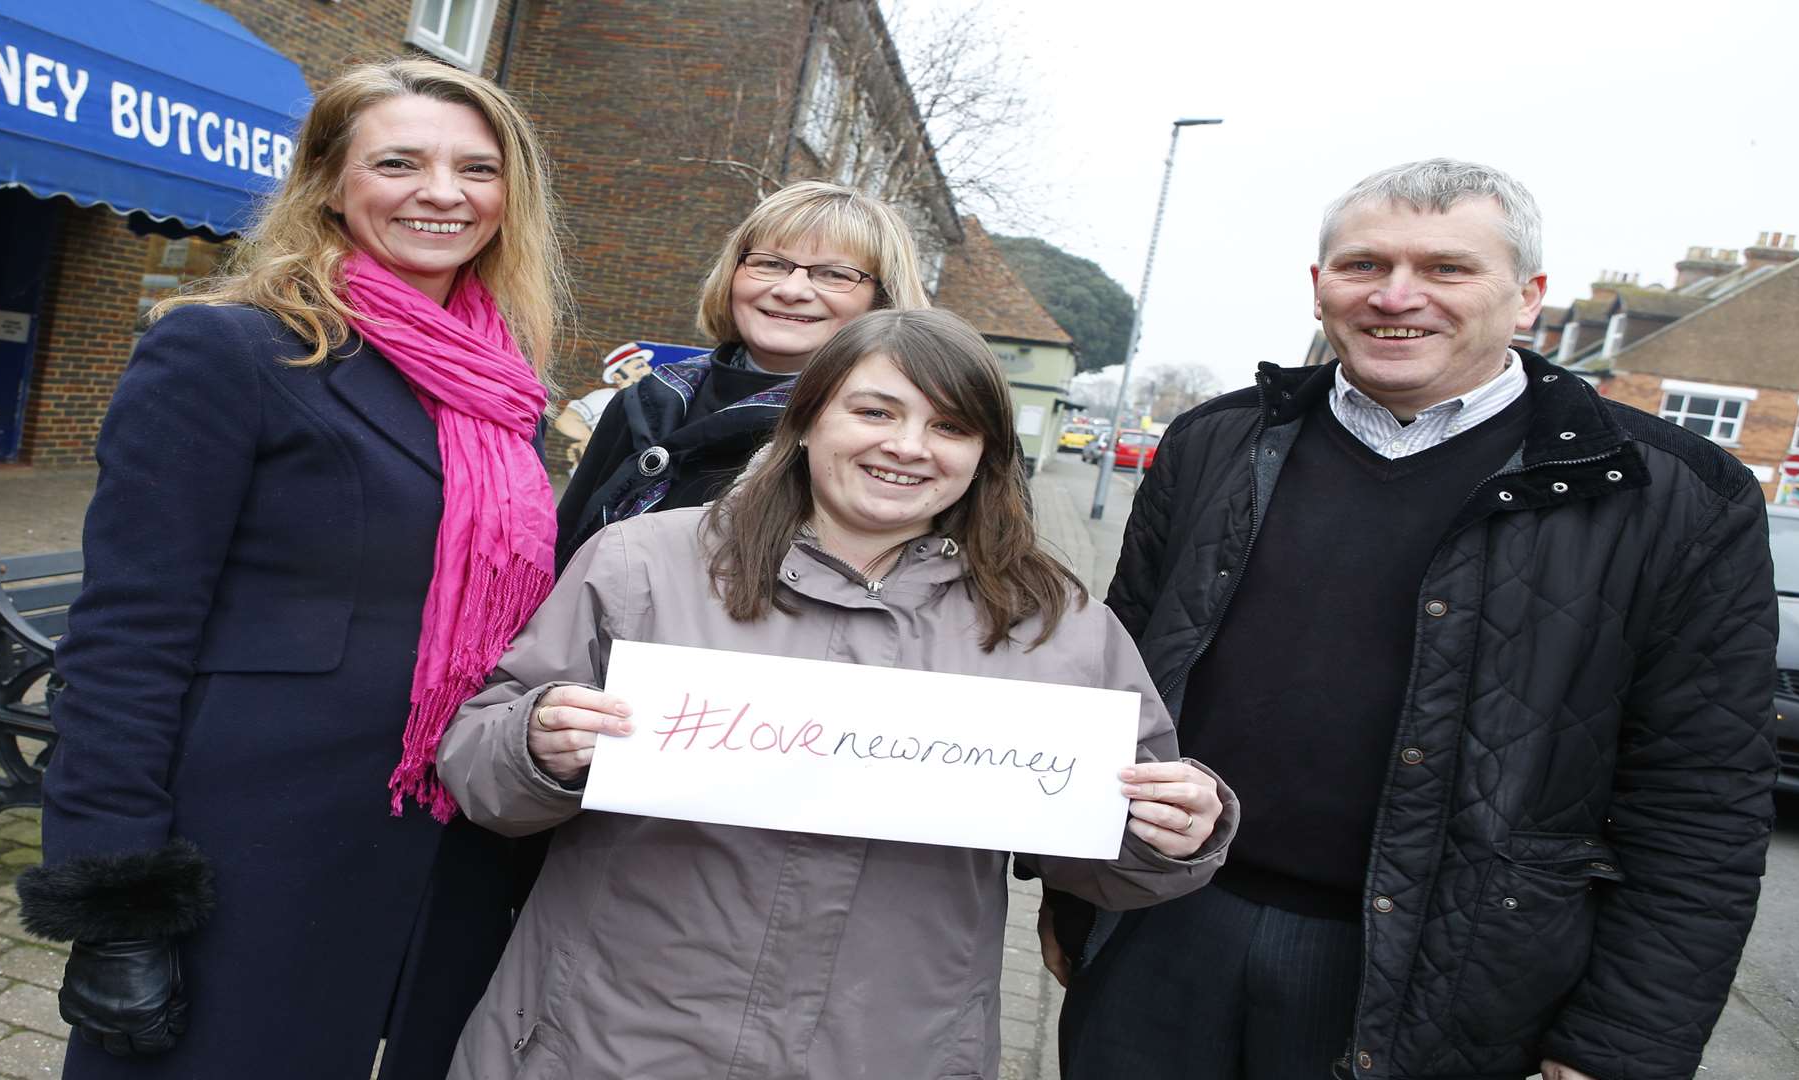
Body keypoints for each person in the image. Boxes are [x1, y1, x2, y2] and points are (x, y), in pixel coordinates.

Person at [1054, 158, 1779, 1080]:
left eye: (1446, 269)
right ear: (1320, 288)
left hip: (1446, 984)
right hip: (1163, 933)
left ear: (1528, 298)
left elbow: (1701, 799)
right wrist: (1076, 901)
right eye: (1364, 266)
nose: (1398, 296)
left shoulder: (1678, 497)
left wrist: (1621, 1046)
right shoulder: (1215, 446)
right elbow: (1108, 693)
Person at [434, 308, 1240, 1079]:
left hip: (891, 1047)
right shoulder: (642, 564)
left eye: (950, 427)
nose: (909, 447)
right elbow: (480, 770)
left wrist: (1168, 834)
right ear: (809, 418)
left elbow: (1107, 866)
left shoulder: (1055, 624)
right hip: (609, 1037)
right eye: (876, 412)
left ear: (986, 454)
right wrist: (536, 745)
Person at [13, 58, 569, 1078]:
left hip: (447, 849)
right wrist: (118, 900)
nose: (442, 192)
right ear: (329, 181)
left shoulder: (506, 393)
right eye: (399, 161)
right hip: (254, 848)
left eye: (475, 169)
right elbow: (128, 636)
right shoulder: (229, 353)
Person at [554, 179, 931, 571]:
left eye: (834, 274)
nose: (792, 289)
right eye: (770, 264)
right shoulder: (650, 399)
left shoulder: (898, 433)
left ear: (882, 299)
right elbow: (564, 554)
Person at [550, 341, 655, 471]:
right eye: (638, 367)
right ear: (618, 378)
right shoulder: (606, 397)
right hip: (599, 472)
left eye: (646, 365)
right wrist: (590, 443)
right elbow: (565, 420)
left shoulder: (651, 403)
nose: (647, 370)